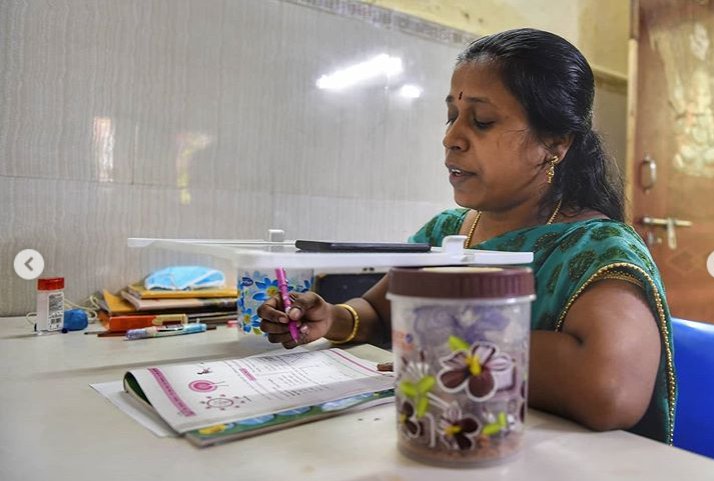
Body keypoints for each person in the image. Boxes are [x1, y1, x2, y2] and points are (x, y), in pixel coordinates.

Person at [258, 28, 676, 444]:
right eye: (451, 117)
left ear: (554, 143)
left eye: (482, 121)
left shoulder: (597, 248)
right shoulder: (449, 231)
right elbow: (380, 312)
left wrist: (436, 346)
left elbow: (611, 388)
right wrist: (330, 318)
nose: (451, 138)